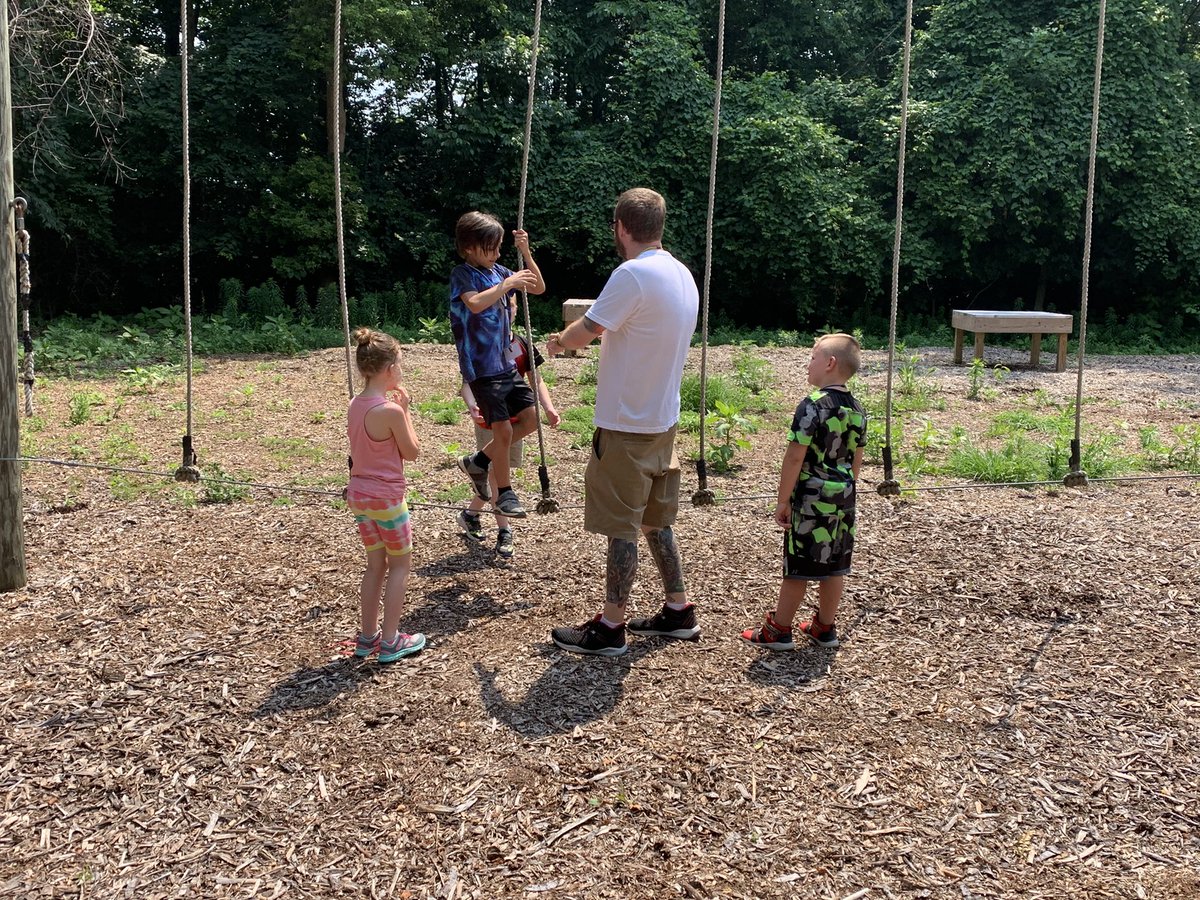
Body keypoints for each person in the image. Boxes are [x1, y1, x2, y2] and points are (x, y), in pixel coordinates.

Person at [544, 188, 699, 657]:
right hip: (662, 421)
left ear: (621, 227)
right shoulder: (681, 273)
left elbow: (586, 331)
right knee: (656, 520)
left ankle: (611, 626)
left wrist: (554, 345)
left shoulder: (631, 275)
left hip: (626, 425)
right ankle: (678, 610)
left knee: (622, 526)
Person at [741, 333, 867, 650]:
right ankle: (824, 627)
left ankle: (778, 630)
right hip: (843, 497)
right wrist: (845, 489)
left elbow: (795, 455)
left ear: (830, 363)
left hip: (811, 499)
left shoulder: (812, 406)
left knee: (797, 567)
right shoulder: (857, 409)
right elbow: (856, 458)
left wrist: (783, 499)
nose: (808, 364)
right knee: (834, 565)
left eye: (812, 357)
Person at [449, 211, 546, 518]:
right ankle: (505, 494)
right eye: (491, 247)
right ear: (470, 248)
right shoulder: (462, 274)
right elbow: (475, 304)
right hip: (481, 368)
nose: (497, 253)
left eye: (499, 246)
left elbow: (539, 287)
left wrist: (526, 253)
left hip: (506, 366)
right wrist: (507, 284)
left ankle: (478, 460)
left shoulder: (501, 270)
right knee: (502, 430)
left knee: (531, 419)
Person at [344, 328, 426, 663]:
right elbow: (413, 452)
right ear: (390, 369)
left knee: (374, 566)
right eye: (400, 364)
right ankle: (391, 640)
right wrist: (405, 410)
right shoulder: (390, 411)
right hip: (388, 500)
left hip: (360, 497)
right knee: (400, 567)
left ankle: (367, 638)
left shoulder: (355, 404)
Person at [458, 333, 560, 558]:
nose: (507, 311)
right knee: (496, 476)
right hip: (491, 419)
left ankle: (471, 513)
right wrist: (471, 404)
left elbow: (536, 378)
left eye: (511, 307)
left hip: (518, 419)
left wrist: (548, 407)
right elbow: (466, 382)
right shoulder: (485, 341)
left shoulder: (522, 343)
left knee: (493, 473)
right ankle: (504, 530)